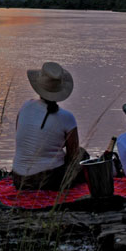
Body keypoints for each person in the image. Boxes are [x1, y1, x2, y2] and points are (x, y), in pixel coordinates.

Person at [12, 62, 87, 190]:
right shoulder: (67, 118)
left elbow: (22, 135)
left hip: (18, 179)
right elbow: (73, 155)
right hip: (47, 181)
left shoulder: (25, 106)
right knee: (83, 155)